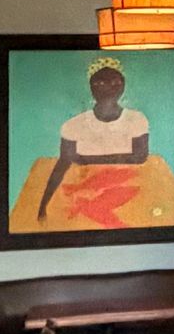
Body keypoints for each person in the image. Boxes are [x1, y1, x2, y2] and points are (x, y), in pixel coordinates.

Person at [36, 58, 149, 222]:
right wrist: (43, 205)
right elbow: (63, 164)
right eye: (100, 84)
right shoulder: (73, 125)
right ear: (91, 88)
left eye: (115, 82)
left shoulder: (136, 120)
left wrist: (85, 159)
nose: (109, 88)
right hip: (85, 190)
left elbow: (140, 157)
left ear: (122, 86)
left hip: (128, 183)